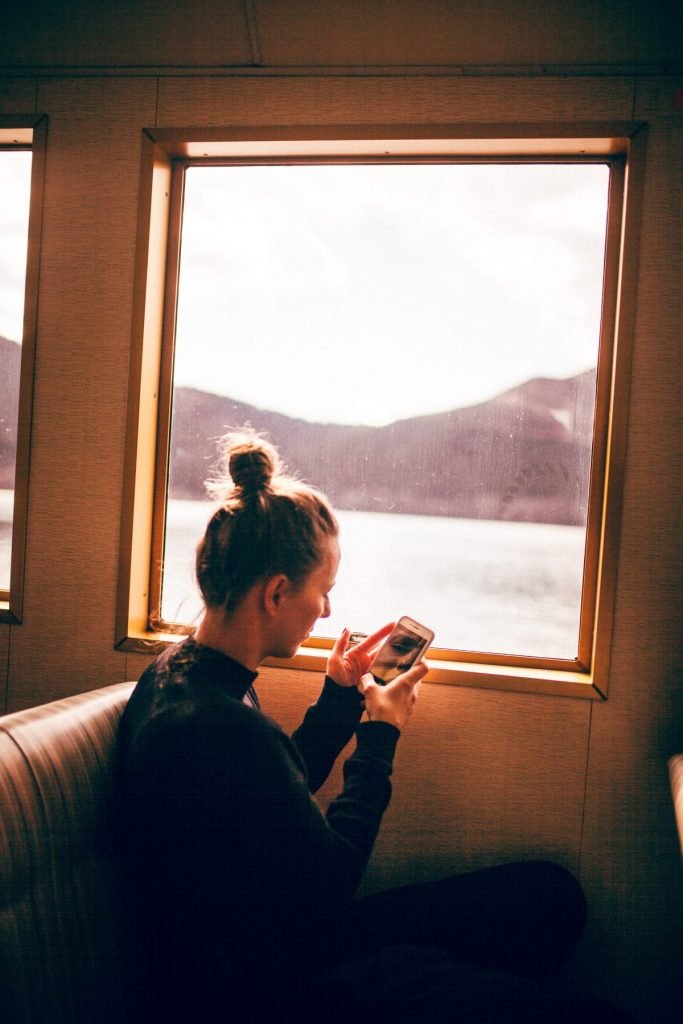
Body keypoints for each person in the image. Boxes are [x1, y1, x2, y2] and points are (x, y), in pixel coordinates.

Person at [117, 430, 631, 1024]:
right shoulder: (217, 724)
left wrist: (340, 699)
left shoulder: (183, 676)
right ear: (278, 592)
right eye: (323, 591)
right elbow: (333, 880)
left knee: (548, 895)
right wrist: (380, 738)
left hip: (283, 943)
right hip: (283, 984)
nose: (327, 611)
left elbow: (271, 795)